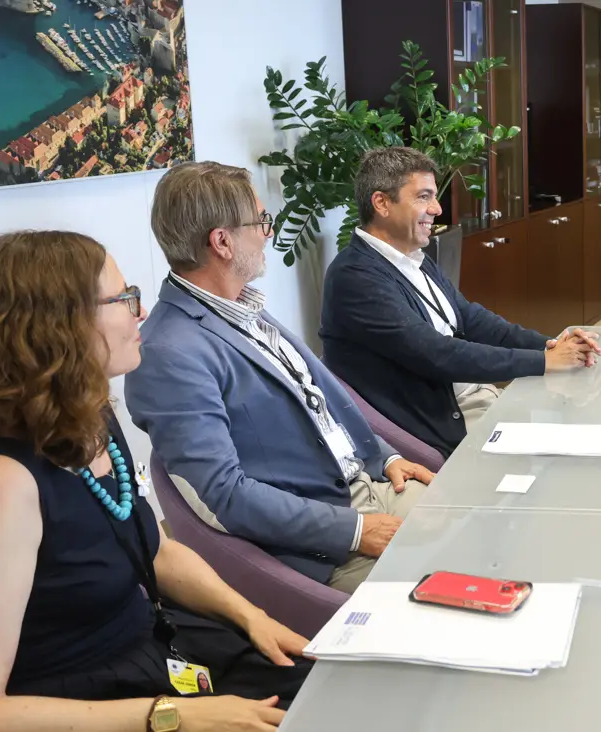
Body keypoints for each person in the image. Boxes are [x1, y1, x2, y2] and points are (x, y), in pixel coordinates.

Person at [0, 231, 310, 731]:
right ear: (60, 326)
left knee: (323, 692)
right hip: (86, 702)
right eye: (124, 298)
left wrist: (251, 616)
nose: (140, 312)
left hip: (159, 650)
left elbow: (156, 551)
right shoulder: (9, 484)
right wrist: (171, 716)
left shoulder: (92, 414)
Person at [125, 161, 435, 594]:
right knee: (470, 576)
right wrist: (354, 531)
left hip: (367, 485)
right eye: (261, 221)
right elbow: (226, 495)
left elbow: (318, 402)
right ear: (222, 242)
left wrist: (383, 458)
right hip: (325, 544)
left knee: (495, 524)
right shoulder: (168, 354)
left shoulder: (241, 306)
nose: (269, 233)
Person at [320, 146, 601, 458]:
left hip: (472, 398)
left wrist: (551, 344)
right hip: (443, 425)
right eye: (423, 197)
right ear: (382, 203)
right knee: (565, 455)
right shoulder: (355, 277)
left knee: (582, 430)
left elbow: (471, 319)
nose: (437, 208)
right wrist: (544, 361)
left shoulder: (412, 258)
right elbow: (436, 354)